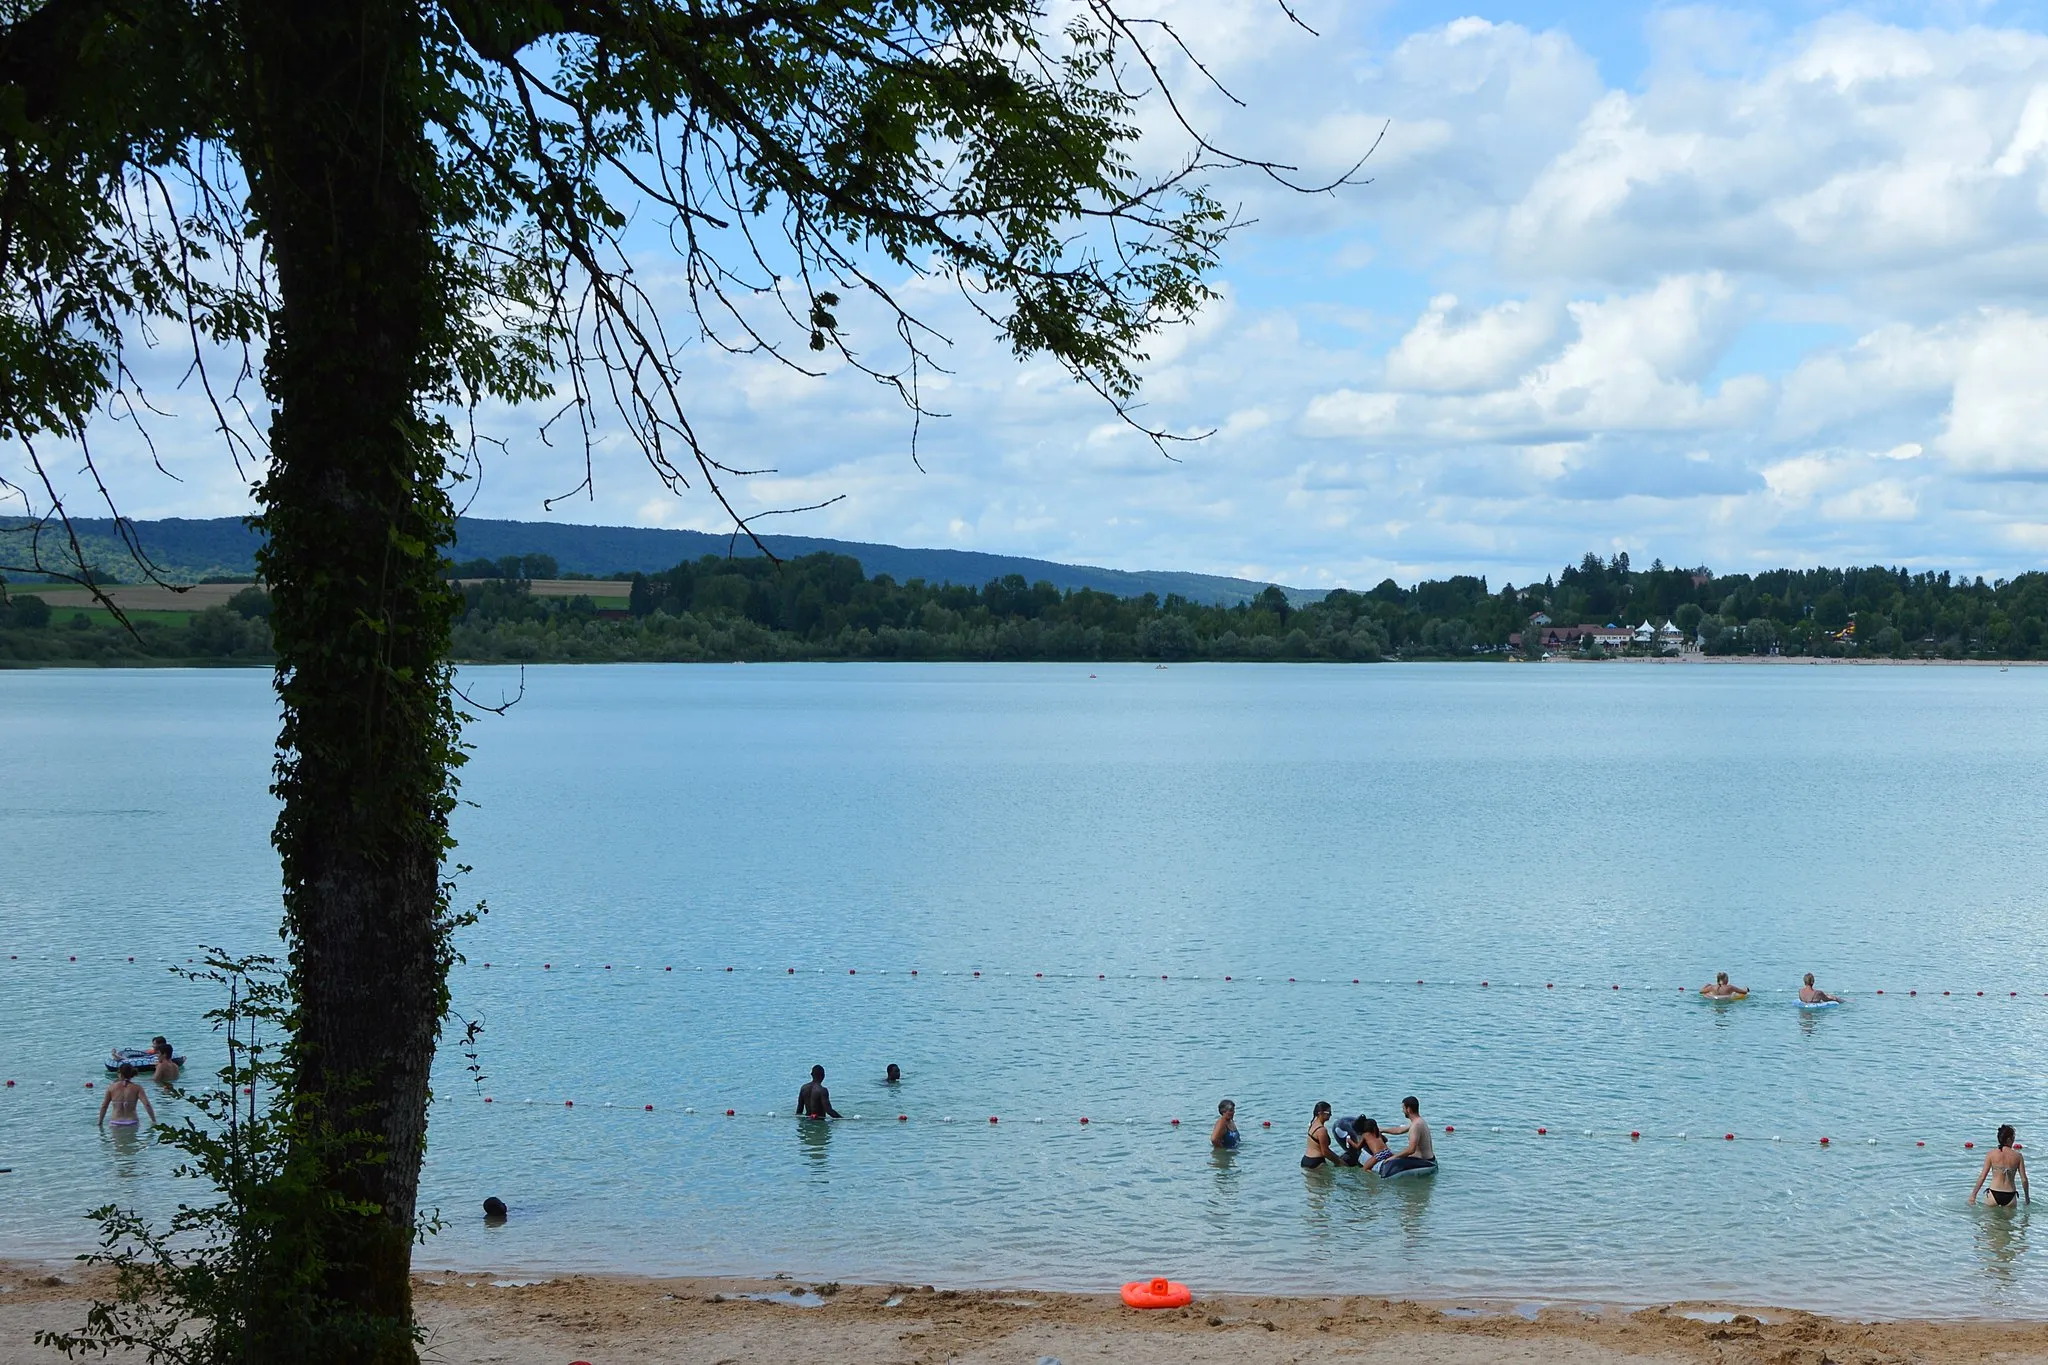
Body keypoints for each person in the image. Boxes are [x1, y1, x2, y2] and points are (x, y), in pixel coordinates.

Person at [1970, 1125, 2030, 1207]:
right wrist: (2027, 1197)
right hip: (2010, 1195)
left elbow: (1982, 1176)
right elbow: (2024, 1179)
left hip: (1994, 1193)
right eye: (2013, 1137)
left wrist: (1973, 1195)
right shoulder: (2018, 1156)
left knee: (1989, 1219)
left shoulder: (1991, 1154)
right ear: (2009, 1139)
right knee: (2007, 1220)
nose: (2014, 1140)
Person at [1379, 1096, 1435, 1176]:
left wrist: (1393, 1158)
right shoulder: (1418, 1122)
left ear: (1408, 1109)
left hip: (1425, 1162)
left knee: (1390, 1161)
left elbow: (1411, 1150)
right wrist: (1383, 1129)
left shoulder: (1416, 1125)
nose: (1403, 1111)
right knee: (1393, 1156)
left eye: (1403, 1108)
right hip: (1428, 1159)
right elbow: (1399, 1130)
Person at [98, 1064, 156, 1131]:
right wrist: (153, 1120)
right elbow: (147, 1105)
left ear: (120, 1073)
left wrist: (100, 1122)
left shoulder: (111, 1087)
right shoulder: (137, 1088)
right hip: (132, 1122)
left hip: (115, 1122)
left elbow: (104, 1106)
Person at [1301, 1101, 1337, 1169]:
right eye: (1329, 1113)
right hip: (1316, 1162)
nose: (1331, 1115)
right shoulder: (1321, 1130)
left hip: (1306, 1160)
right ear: (1320, 1113)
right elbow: (1325, 1152)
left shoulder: (1312, 1124)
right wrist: (1339, 1161)